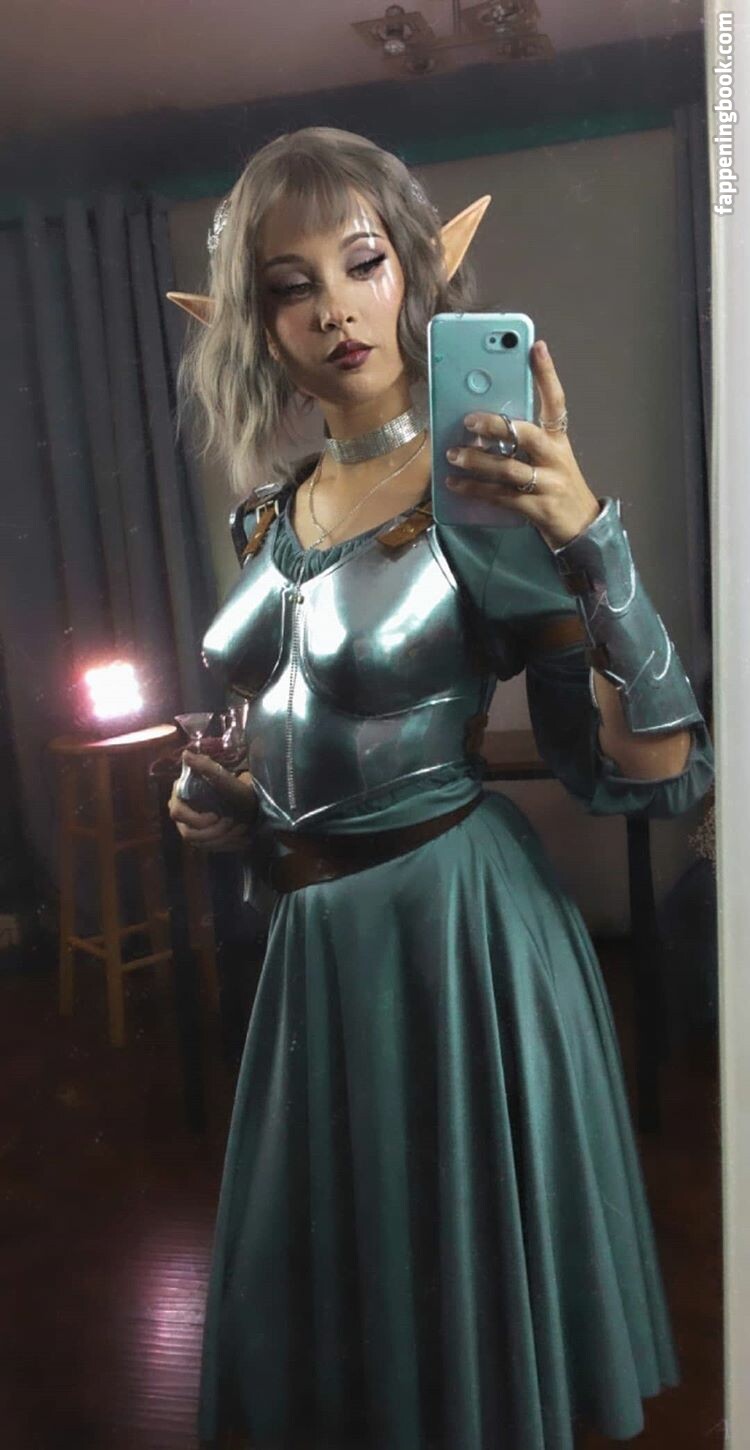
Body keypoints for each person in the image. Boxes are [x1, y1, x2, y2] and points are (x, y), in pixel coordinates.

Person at [167, 127, 714, 1450]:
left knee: (463, 1300)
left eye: (361, 263)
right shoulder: (270, 510)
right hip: (312, 943)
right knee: (353, 1306)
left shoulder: (481, 495)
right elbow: (294, 728)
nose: (334, 309)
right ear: (255, 321)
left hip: (457, 938)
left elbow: (645, 766)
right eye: (290, 285)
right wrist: (233, 807)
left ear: (414, 272)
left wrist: (587, 537)